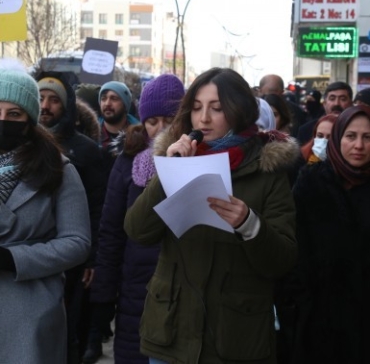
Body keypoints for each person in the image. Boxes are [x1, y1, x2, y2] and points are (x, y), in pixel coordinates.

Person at [124, 67, 298, 364]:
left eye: (216, 108)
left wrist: (250, 224)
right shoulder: (175, 156)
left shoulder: (267, 171)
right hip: (172, 332)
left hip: (235, 338)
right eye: (196, 108)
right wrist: (168, 172)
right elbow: (137, 230)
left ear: (239, 110)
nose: (203, 118)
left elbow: (282, 260)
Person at [85, 74, 185, 364]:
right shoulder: (128, 161)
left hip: (183, 285)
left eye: (170, 119)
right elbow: (112, 231)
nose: (161, 129)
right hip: (136, 290)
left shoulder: (198, 159)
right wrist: (103, 298)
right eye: (153, 121)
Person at [0, 65, 91, 363]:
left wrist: (14, 259)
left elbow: (77, 242)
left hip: (29, 313)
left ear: (29, 119)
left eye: (14, 114)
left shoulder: (59, 169)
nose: (3, 121)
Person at [290, 104, 370, 364]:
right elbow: (295, 253)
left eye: (368, 137)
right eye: (350, 136)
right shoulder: (311, 183)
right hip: (317, 324)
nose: (359, 145)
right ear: (338, 139)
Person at [36, 71, 106, 364]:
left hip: (71, 259)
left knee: (67, 330)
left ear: (66, 106)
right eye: (40, 98)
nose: (45, 106)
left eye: (53, 100)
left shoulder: (86, 151)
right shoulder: (16, 147)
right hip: (30, 253)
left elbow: (97, 206)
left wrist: (92, 257)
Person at [297, 81, 353, 145]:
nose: (337, 103)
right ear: (324, 103)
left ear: (351, 104)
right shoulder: (306, 130)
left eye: (343, 99)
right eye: (332, 98)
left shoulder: (357, 129)